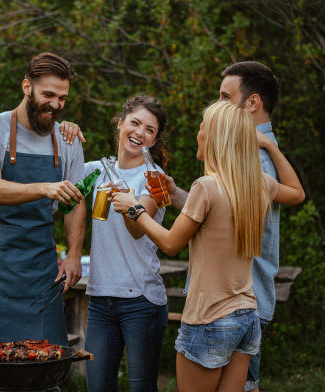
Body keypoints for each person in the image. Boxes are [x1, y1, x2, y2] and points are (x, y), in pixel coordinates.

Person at [112, 100, 304, 392]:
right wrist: (174, 192)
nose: (198, 134)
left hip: (208, 320)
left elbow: (171, 243)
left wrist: (134, 209)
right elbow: (297, 192)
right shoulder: (258, 184)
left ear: (214, 137)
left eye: (201, 129)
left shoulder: (206, 186)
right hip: (246, 317)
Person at [0, 52, 86, 392]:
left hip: (39, 270)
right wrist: (45, 187)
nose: (56, 105)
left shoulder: (67, 140)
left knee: (46, 372)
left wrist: (73, 254)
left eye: (63, 98)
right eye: (48, 95)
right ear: (27, 87)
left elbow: (75, 203)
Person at [159, 61, 285, 392]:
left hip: (219, 307)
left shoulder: (253, 158)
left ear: (252, 102)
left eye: (224, 97)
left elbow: (179, 237)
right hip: (245, 309)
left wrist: (135, 211)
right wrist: (176, 195)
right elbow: (220, 212)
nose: (217, 107)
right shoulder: (251, 166)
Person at [83, 95, 170, 392]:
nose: (140, 132)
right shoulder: (95, 170)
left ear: (154, 140)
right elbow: (63, 193)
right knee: (97, 387)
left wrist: (129, 204)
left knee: (141, 388)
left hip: (141, 300)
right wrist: (66, 132)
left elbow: (137, 231)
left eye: (149, 130)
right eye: (134, 123)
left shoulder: (156, 180)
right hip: (99, 297)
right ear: (120, 124)